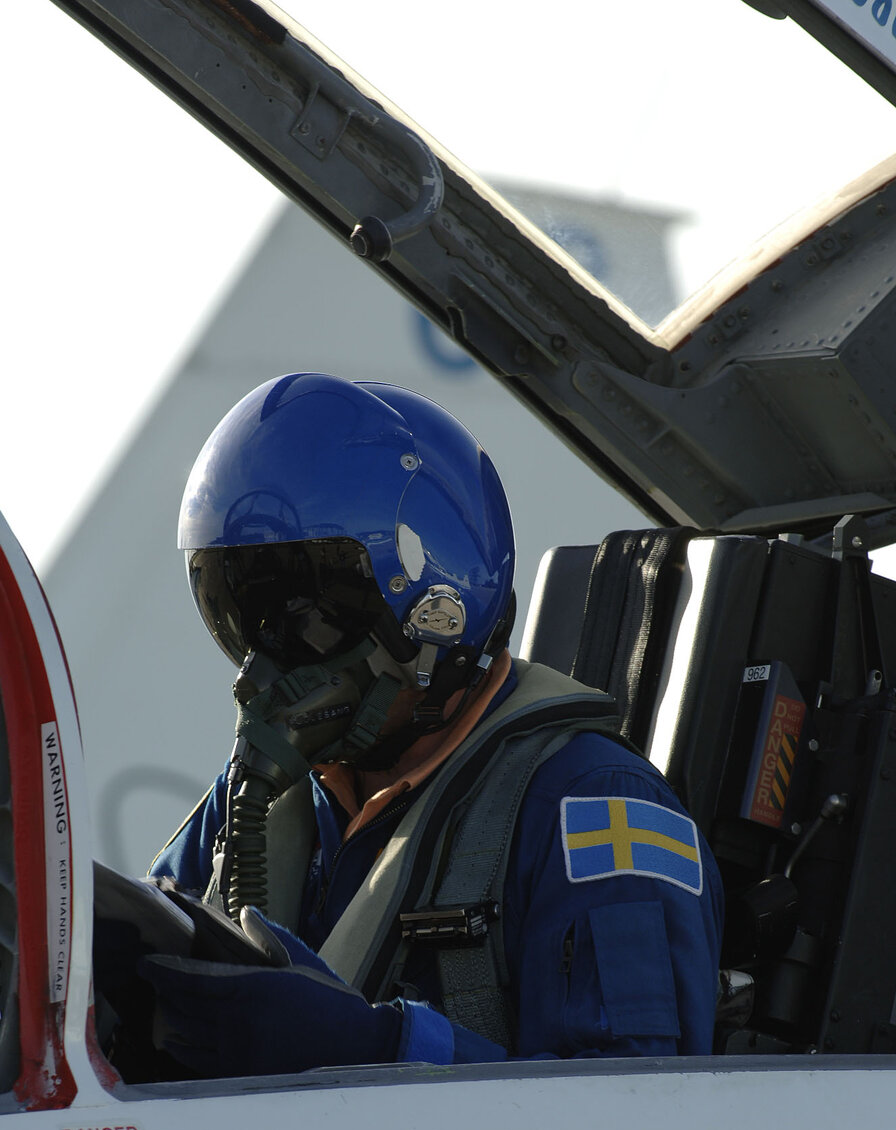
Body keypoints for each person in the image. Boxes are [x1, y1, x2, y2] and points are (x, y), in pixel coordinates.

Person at [141, 371, 723, 1078]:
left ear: (434, 608)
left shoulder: (594, 811)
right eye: (250, 622)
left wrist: (384, 1050)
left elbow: (637, 1123)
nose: (268, 671)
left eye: (310, 622)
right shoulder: (253, 806)